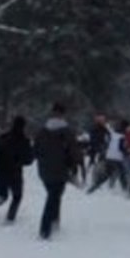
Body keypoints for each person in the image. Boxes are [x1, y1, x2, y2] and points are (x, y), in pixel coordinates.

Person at [33, 103, 82, 240]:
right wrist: (75, 165)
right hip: (61, 169)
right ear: (63, 114)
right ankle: (45, 228)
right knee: (53, 196)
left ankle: (55, 220)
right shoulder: (67, 131)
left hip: (44, 169)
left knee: (53, 194)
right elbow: (74, 151)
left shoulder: (42, 131)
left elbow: (35, 150)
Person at [0, 116, 34, 223]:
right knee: (17, 196)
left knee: (2, 194)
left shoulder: (2, 138)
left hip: (0, 171)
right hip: (15, 172)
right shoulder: (24, 141)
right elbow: (29, 160)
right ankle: (10, 217)